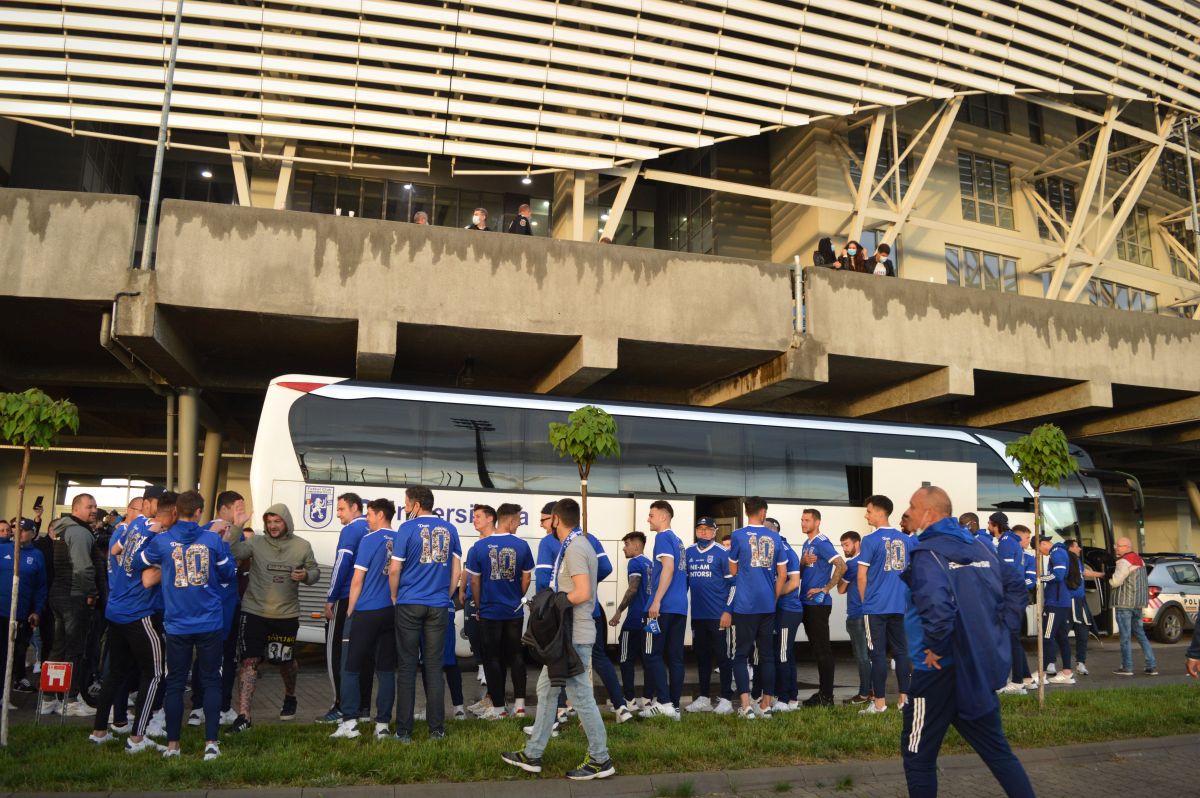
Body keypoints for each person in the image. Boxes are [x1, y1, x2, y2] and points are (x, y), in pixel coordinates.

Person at [900, 486, 1034, 798]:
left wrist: (933, 648)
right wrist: (1003, 629)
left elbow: (938, 609)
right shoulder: (981, 547)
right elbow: (1015, 584)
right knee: (997, 751)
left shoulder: (927, 553)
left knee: (917, 755)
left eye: (912, 506)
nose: (908, 511)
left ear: (930, 514)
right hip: (972, 667)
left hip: (934, 670)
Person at [501, 498, 615, 781]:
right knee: (547, 690)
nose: (546, 524)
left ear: (555, 519)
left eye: (547, 519)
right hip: (569, 634)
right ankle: (533, 754)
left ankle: (601, 759)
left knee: (580, 696)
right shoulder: (576, 544)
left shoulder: (576, 548)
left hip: (574, 635)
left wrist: (552, 604)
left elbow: (583, 592)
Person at [136, 490, 234, 760]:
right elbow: (228, 572)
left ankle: (173, 745)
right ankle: (211, 743)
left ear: (176, 511)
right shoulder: (213, 540)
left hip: (177, 623)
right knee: (212, 680)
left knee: (176, 683)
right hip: (210, 621)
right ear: (200, 512)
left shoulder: (164, 540)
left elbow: (137, 561)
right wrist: (222, 545)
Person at [226, 503, 320, 732]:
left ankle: (290, 696)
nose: (273, 526)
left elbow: (315, 572)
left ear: (286, 522)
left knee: (284, 661)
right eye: (269, 522)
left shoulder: (302, 546)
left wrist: (306, 575)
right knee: (249, 661)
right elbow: (232, 552)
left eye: (277, 521)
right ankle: (244, 716)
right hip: (254, 610)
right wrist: (237, 526)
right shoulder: (256, 542)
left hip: (285, 614)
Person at [88, 492, 165, 752]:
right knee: (154, 673)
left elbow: (114, 550)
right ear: (145, 505)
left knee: (116, 672)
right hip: (136, 611)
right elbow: (147, 579)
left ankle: (100, 731)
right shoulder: (148, 527)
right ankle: (137, 738)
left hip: (117, 609)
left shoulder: (128, 528)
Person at [389, 486, 461, 743]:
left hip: (409, 602)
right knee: (434, 667)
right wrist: (446, 593)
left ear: (417, 504)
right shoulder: (450, 529)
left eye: (407, 503)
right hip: (438, 604)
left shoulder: (406, 529)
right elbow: (456, 571)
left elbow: (395, 568)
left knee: (407, 666)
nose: (405, 508)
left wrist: (395, 596)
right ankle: (436, 730)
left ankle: (404, 731)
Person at [331, 498, 399, 741]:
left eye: (369, 514)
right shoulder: (400, 538)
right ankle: (382, 726)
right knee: (386, 669)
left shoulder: (370, 539)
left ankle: (349, 722)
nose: (367, 519)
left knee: (350, 667)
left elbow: (357, 579)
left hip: (367, 610)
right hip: (391, 612)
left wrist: (350, 609)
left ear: (380, 515)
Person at [465, 503, 533, 720]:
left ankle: (498, 709)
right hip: (514, 611)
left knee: (492, 658)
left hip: (489, 610)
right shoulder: (522, 546)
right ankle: (520, 706)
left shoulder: (479, 547)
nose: (519, 524)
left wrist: (479, 604)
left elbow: (475, 582)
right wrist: (515, 596)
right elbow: (527, 577)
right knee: (516, 655)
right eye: (519, 520)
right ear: (511, 521)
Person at [721, 497, 786, 720]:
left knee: (741, 656)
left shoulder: (738, 535)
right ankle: (766, 705)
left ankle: (746, 706)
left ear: (746, 511)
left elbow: (732, 567)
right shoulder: (775, 537)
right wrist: (773, 597)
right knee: (767, 656)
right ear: (763, 512)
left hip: (745, 605)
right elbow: (783, 575)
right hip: (767, 605)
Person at [191, 491, 250, 728]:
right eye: (238, 507)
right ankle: (197, 707)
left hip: (230, 604)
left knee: (228, 657)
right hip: (207, 606)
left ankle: (224, 706)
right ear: (224, 508)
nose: (242, 513)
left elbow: (237, 562)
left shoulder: (239, 537)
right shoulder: (204, 531)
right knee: (203, 657)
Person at [320, 493, 372, 723]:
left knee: (336, 655)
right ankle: (363, 708)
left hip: (345, 598)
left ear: (354, 508)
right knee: (364, 657)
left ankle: (340, 705)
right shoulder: (373, 530)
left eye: (341, 509)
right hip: (368, 601)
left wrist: (330, 597)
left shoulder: (351, 529)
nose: (338, 514)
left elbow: (342, 565)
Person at [858, 495, 912, 715]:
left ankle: (879, 703)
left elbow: (862, 577)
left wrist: (865, 602)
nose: (866, 515)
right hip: (900, 605)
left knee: (877, 654)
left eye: (869, 511)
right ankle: (904, 700)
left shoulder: (870, 540)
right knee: (902, 652)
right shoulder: (907, 540)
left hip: (876, 606)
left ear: (880, 512)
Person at [46, 493, 100, 716]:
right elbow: (83, 567)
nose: (94, 510)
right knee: (74, 649)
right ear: (76, 508)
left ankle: (49, 697)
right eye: (89, 506)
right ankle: (70, 699)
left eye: (95, 506)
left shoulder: (62, 529)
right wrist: (91, 593)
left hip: (58, 593)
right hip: (73, 596)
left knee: (58, 647)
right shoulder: (78, 532)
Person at [641, 500, 687, 719]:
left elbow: (668, 567)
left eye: (651, 515)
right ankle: (674, 707)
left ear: (663, 517)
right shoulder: (678, 541)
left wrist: (656, 600)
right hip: (679, 607)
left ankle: (665, 703)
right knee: (676, 657)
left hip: (663, 607)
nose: (648, 519)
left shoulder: (662, 537)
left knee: (652, 654)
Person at [683, 518, 733, 714]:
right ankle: (704, 698)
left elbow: (733, 585)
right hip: (698, 615)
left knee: (723, 657)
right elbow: (684, 582)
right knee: (702, 657)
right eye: (700, 529)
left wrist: (728, 611)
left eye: (707, 529)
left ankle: (727, 700)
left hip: (718, 615)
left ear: (715, 531)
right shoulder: (689, 552)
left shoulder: (723, 553)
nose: (703, 532)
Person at [798, 508, 845, 707]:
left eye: (807, 520)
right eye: (802, 520)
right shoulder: (807, 544)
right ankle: (822, 694)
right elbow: (800, 573)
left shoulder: (822, 543)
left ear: (817, 522)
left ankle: (827, 697)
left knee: (823, 651)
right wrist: (802, 561)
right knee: (817, 651)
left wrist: (825, 588)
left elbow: (842, 566)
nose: (803, 523)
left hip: (818, 606)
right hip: (805, 603)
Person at [0, 515, 46, 709]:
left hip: (18, 613)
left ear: (33, 533)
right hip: (0, 610)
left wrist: (37, 610)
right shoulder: (2, 549)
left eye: (23, 529)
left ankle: (4, 696)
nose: (18, 532)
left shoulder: (37, 556)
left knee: (10, 655)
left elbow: (41, 587)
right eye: (15, 529)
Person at [610, 531, 654, 712]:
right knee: (649, 660)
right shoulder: (650, 563)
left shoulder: (634, 562)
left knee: (625, 659)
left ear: (636, 545)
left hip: (634, 620)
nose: (623, 548)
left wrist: (619, 611)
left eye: (627, 544)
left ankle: (629, 701)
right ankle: (647, 699)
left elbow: (633, 589)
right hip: (650, 620)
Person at [1109, 537, 1158, 677]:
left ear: (1127, 547)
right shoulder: (1140, 560)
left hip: (1124, 603)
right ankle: (1151, 666)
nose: (1116, 548)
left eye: (1118, 546)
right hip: (1138, 603)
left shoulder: (1124, 561)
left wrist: (1108, 577)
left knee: (1125, 637)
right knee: (1141, 635)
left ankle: (1127, 667)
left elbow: (1115, 582)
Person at [463, 504, 496, 708]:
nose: (474, 520)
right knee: (472, 634)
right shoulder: (476, 544)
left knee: (489, 642)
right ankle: (482, 667)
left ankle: (493, 699)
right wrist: (461, 589)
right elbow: (469, 570)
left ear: (490, 518)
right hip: (470, 597)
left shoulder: (495, 543)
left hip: (486, 600)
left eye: (478, 516)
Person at [995, 520, 1032, 693]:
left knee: (1011, 639)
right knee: (1014, 639)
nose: (1027, 541)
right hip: (1017, 598)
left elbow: (1006, 572)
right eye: (1026, 538)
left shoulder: (1008, 545)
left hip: (1011, 599)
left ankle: (1017, 682)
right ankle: (1026, 679)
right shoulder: (1016, 548)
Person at [772, 522, 804, 712]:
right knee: (786, 654)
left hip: (788, 610)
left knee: (782, 655)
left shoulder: (786, 550)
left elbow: (794, 582)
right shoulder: (777, 548)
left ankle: (784, 699)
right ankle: (791, 698)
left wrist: (772, 596)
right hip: (781, 610)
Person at [838, 530, 871, 705]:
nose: (844, 548)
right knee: (871, 654)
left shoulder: (852, 565)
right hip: (870, 613)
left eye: (847, 544)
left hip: (857, 613)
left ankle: (864, 693)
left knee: (861, 655)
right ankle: (873, 691)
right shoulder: (870, 561)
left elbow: (841, 589)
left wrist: (842, 575)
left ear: (857, 543)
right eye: (842, 545)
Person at [1038, 535, 1075, 684]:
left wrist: (1040, 578)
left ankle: (1043, 672)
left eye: (1038, 549)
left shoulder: (1056, 553)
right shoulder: (1060, 551)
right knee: (1062, 638)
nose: (1040, 553)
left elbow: (1058, 576)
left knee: (1047, 637)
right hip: (1062, 601)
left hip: (1056, 602)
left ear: (1043, 543)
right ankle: (1067, 673)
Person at [1065, 539, 1103, 676]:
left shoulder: (1077, 561)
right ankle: (1053, 665)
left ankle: (1081, 663)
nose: (1080, 548)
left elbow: (1085, 573)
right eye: (1077, 546)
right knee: (1061, 635)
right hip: (1068, 603)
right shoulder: (1064, 560)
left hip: (1080, 603)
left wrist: (1101, 575)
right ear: (1070, 548)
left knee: (1083, 633)